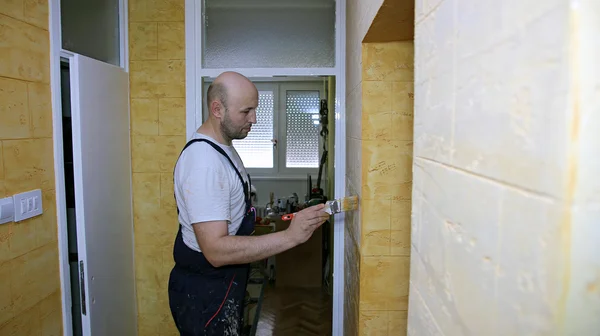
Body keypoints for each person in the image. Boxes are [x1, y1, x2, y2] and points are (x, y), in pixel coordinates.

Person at [168, 71, 329, 335]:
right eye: (246, 111)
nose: (254, 119)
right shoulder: (204, 163)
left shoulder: (223, 149)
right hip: (205, 295)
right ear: (217, 109)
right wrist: (291, 237)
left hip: (221, 285)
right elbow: (216, 251)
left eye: (255, 109)